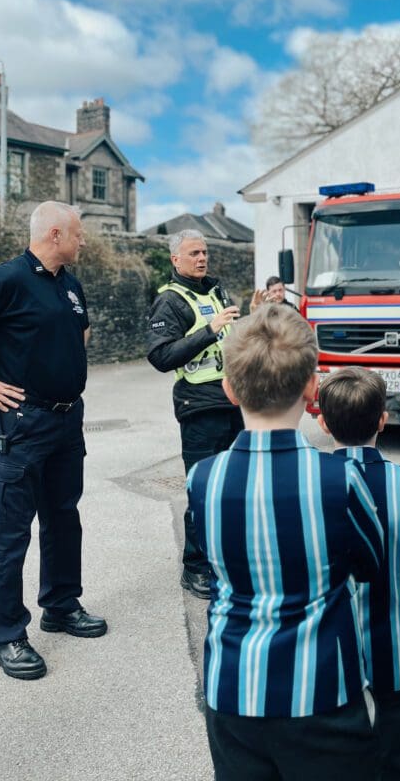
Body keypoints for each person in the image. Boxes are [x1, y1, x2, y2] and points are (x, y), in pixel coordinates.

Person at [186, 303, 384, 781]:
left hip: (232, 687)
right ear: (312, 387)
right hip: (320, 689)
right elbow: (369, 562)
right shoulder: (340, 479)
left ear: (229, 389)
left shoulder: (203, 478)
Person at [0, 201, 106, 681]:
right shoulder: (6, 280)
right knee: (10, 532)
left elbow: (80, 332)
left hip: (67, 421)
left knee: (63, 519)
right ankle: (6, 634)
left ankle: (61, 604)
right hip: (21, 424)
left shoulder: (70, 284)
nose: (83, 241)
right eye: (78, 234)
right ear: (55, 234)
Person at [317, 367, 400, 781]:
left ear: (322, 422)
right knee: (397, 765)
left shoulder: (312, 485)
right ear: (383, 420)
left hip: (326, 660)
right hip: (396, 656)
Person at [146, 229, 243, 598]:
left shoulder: (216, 292)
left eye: (204, 252)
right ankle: (195, 568)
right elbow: (161, 356)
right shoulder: (170, 301)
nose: (201, 258)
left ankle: (225, 561)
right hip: (199, 408)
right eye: (193, 253)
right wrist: (209, 331)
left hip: (234, 404)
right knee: (203, 491)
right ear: (176, 260)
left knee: (232, 489)